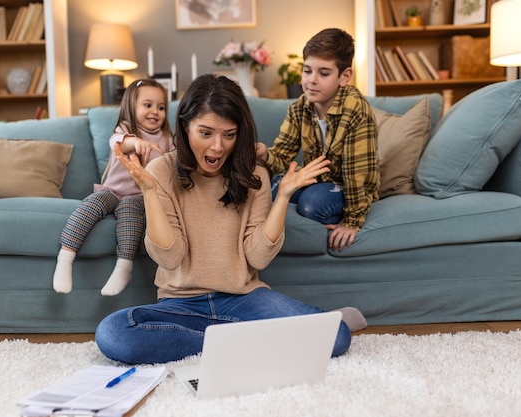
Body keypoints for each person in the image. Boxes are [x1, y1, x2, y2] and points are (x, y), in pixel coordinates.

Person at [95, 74, 364, 365]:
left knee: (337, 336)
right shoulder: (160, 170)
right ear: (186, 128)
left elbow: (258, 258)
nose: (218, 147)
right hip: (181, 304)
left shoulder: (255, 174)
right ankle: (246, 339)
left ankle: (229, 341)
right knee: (113, 334)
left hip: (244, 298)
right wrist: (148, 190)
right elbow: (170, 258)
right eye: (206, 133)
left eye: (229, 134)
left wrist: (283, 196)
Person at [256, 28, 380, 252]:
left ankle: (326, 215)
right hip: (317, 180)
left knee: (312, 204)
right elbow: (282, 156)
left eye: (323, 73)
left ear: (344, 76)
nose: (311, 81)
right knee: (271, 189)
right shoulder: (299, 108)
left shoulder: (355, 111)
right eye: (307, 71)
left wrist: (352, 221)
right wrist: (265, 153)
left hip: (348, 185)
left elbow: (356, 173)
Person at [53, 79, 175, 296]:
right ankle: (65, 258)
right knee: (91, 204)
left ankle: (124, 266)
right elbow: (118, 142)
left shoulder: (166, 139)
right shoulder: (125, 130)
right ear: (131, 106)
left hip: (140, 196)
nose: (155, 111)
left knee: (129, 210)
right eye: (148, 105)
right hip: (112, 191)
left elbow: (176, 162)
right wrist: (137, 143)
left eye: (161, 107)